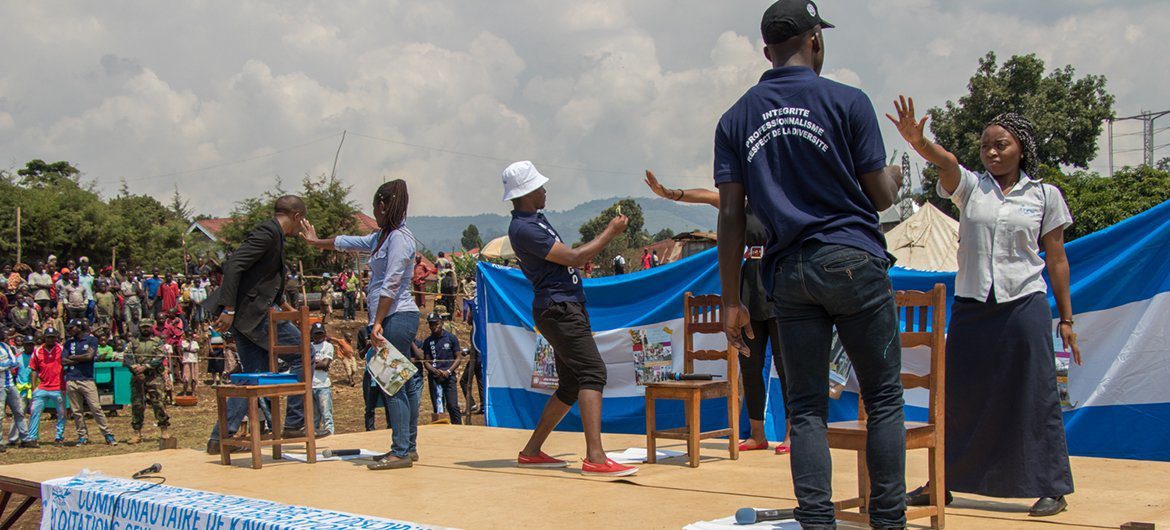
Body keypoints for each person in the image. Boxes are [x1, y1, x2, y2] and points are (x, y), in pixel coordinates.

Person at [713, 2, 908, 527]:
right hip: (853, 260)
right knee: (884, 398)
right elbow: (881, 196)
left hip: (789, 275)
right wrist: (894, 173)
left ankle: (817, 522)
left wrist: (732, 301)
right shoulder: (848, 101)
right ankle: (890, 522)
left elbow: (731, 216)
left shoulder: (735, 119)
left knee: (805, 410)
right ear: (816, 40)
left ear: (766, 51)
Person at [889, 100, 1080, 517]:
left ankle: (1051, 487)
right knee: (958, 396)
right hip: (975, 307)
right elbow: (947, 162)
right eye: (986, 146)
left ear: (1022, 149)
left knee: (1036, 394)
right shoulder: (972, 187)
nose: (992, 152)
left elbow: (1057, 258)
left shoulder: (1045, 196)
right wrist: (920, 144)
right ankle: (942, 482)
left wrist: (1066, 318)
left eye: (1002, 145)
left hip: (1024, 303)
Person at [503, 160, 637, 477]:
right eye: (539, 187)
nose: (545, 190)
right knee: (593, 372)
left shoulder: (535, 220)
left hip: (565, 305)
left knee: (572, 384)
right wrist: (610, 231)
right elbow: (575, 257)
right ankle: (596, 457)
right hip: (558, 308)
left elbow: (567, 258)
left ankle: (532, 451)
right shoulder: (524, 229)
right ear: (526, 193)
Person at [643, 169, 792, 455]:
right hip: (748, 287)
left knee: (787, 365)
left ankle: (791, 433)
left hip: (778, 284)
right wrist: (670, 193)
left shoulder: (780, 200)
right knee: (749, 363)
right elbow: (707, 196)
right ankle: (757, 434)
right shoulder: (740, 202)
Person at [300, 179, 422, 470]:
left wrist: (377, 322)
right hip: (389, 317)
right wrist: (317, 242)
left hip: (396, 317)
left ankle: (401, 450)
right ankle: (406, 446)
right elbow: (348, 242)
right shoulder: (382, 237)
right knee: (399, 384)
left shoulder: (400, 239)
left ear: (382, 206)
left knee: (392, 384)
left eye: (375, 208)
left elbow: (391, 283)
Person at [205, 195, 309, 453]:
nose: (302, 225)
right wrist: (228, 307)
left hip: (248, 318)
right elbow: (234, 265)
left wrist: (287, 308)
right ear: (296, 216)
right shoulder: (269, 232)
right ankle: (295, 423)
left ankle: (220, 438)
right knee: (305, 353)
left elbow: (261, 280)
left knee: (254, 376)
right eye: (302, 220)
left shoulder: (274, 235)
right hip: (256, 315)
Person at [62, 319, 118, 446]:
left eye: (72, 328)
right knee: (76, 411)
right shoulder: (68, 343)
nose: (69, 330)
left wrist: (74, 358)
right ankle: (82, 436)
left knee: (96, 408)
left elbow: (89, 356)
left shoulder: (91, 340)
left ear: (79, 328)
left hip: (87, 379)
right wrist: (80, 359)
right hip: (71, 379)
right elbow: (63, 361)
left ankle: (107, 434)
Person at [123, 318, 170, 444]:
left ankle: (164, 430)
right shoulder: (133, 342)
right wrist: (135, 369)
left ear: (151, 327)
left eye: (147, 327)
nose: (145, 329)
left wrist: (146, 367)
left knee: (159, 403)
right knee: (137, 405)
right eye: (143, 327)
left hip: (154, 377)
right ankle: (137, 433)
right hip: (138, 378)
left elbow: (160, 357)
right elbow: (127, 357)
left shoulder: (157, 342)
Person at [24, 327, 66, 448]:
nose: (51, 339)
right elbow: (33, 369)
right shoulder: (38, 351)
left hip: (58, 387)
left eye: (53, 337)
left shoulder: (61, 349)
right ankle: (32, 438)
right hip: (42, 387)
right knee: (34, 413)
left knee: (61, 414)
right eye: (49, 337)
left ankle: (59, 437)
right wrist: (33, 387)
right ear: (45, 337)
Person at [420, 313, 462, 425]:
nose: (434, 327)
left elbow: (458, 357)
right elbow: (426, 362)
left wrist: (448, 371)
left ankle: (458, 428)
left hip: (449, 375)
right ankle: (440, 431)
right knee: (438, 407)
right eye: (431, 324)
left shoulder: (451, 338)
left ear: (441, 323)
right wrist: (434, 371)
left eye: (436, 324)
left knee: (452, 405)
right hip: (435, 377)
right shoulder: (428, 341)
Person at [0, 328, 29, 452]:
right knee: (0, 415)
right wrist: (6, 364)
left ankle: (25, 438)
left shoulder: (5, 347)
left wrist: (4, 364)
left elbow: (15, 362)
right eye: (6, 335)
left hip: (10, 384)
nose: (8, 338)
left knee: (19, 411)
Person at [309, 323, 335, 437]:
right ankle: (315, 438)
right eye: (316, 334)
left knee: (326, 415)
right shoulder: (309, 346)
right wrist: (316, 363)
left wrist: (311, 362)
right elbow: (302, 363)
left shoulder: (328, 346)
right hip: (311, 385)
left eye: (321, 333)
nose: (318, 336)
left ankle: (330, 436)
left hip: (323, 385)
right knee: (314, 417)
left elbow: (324, 364)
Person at [121, 273, 143, 337]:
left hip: (137, 303)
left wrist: (137, 285)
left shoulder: (137, 283)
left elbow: (140, 293)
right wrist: (135, 293)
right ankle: (129, 335)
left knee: (139, 319)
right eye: (129, 275)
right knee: (128, 320)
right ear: (127, 276)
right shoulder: (124, 284)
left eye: (132, 275)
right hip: (128, 304)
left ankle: (139, 334)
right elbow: (125, 294)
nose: (131, 276)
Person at [180, 329, 200, 396]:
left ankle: (193, 392)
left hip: (194, 361)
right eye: (188, 335)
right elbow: (187, 349)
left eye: (191, 335)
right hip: (186, 361)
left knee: (194, 378)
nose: (190, 337)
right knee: (185, 378)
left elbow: (196, 350)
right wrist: (190, 343)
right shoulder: (183, 342)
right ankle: (185, 392)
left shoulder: (195, 343)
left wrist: (189, 349)